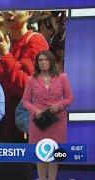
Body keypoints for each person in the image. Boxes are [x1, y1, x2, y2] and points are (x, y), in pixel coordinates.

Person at [0, 10, 49, 141]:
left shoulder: (35, 41)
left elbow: (27, 86)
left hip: (21, 132)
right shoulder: (2, 40)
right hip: (0, 125)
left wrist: (5, 55)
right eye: (6, 9)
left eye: (15, 8)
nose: (9, 13)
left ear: (29, 13)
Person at [22, 50, 73, 180]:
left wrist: (59, 106)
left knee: (53, 153)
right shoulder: (31, 80)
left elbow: (69, 98)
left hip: (57, 121)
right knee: (40, 153)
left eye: (46, 60)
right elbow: (26, 100)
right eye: (40, 60)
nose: (43, 62)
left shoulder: (62, 77)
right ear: (37, 63)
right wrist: (35, 111)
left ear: (51, 61)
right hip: (39, 121)